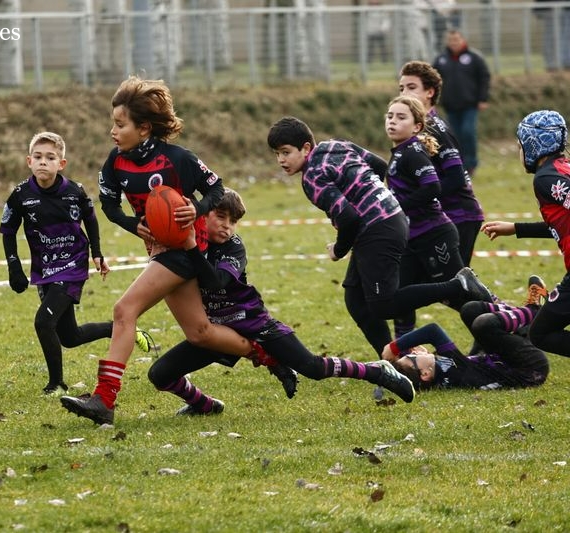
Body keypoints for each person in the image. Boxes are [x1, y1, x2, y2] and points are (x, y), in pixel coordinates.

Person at [61, 76, 288, 425]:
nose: (113, 131)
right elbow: (107, 205)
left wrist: (195, 211)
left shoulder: (178, 159)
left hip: (183, 249)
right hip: (161, 252)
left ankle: (104, 400)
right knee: (201, 333)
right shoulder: (116, 161)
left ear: (144, 128)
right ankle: (265, 355)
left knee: (124, 310)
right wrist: (129, 223)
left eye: (120, 124)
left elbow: (216, 189)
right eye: (113, 123)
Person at [148, 188, 416, 415]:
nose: (227, 226)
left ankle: (377, 371)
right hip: (216, 331)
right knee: (159, 375)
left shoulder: (233, 247)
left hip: (252, 324)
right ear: (202, 214)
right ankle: (205, 406)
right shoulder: (191, 242)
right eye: (220, 217)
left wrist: (192, 248)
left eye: (233, 220)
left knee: (313, 367)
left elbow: (216, 282)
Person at [267, 116, 492, 357]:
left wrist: (338, 250)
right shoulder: (337, 145)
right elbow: (379, 166)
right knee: (356, 300)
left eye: (286, 152)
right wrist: (368, 193)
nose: (281, 160)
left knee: (384, 304)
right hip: (391, 217)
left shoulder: (312, 178)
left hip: (377, 230)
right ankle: (394, 361)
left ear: (306, 148)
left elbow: (348, 219)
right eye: (277, 154)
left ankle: (458, 285)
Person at [0, 131, 154, 395]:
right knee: (69, 337)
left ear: (61, 164)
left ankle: (56, 383)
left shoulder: (75, 192)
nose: (43, 162)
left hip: (73, 266)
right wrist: (14, 265)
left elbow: (91, 221)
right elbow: (8, 230)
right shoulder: (20, 195)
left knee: (43, 323)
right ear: (28, 161)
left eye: (50, 157)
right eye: (37, 157)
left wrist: (97, 253)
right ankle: (115, 328)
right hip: (44, 269)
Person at [481, 109, 570, 358]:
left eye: (520, 145)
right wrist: (516, 229)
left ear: (532, 145)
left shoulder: (545, 178)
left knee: (541, 333)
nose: (519, 152)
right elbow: (561, 226)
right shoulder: (562, 168)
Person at [384, 95, 465, 338]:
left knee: (462, 294)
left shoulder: (412, 152)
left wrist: (397, 207)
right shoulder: (399, 152)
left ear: (417, 126)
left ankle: (510, 324)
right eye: (389, 116)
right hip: (413, 237)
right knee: (400, 296)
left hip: (434, 233)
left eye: (400, 117)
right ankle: (405, 351)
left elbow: (432, 187)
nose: (392, 121)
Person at [382, 276, 550, 390]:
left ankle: (521, 324)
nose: (413, 352)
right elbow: (433, 331)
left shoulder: (444, 374)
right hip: (532, 368)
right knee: (483, 325)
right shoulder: (453, 369)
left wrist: (419, 355)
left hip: (505, 361)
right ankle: (533, 312)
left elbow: (475, 358)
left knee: (470, 310)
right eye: (411, 357)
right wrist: (394, 347)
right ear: (425, 374)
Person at [399, 60, 484, 266]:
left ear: (430, 92)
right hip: (438, 218)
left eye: (411, 87)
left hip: (460, 216)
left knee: (456, 289)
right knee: (445, 288)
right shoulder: (417, 128)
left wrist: (416, 199)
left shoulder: (435, 129)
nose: (404, 94)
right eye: (401, 88)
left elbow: (455, 178)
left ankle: (495, 301)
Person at [432, 29, 490, 176]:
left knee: (468, 132)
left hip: (470, 105)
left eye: (456, 40)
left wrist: (483, 98)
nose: (454, 43)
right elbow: (432, 80)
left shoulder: (474, 58)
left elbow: (484, 78)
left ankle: (472, 164)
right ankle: (460, 165)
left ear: (463, 40)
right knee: (454, 136)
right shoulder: (441, 60)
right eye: (451, 40)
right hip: (451, 106)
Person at [535, 0, 570, 71]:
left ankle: (563, 63)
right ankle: (553, 64)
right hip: (550, 9)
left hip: (563, 9)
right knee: (552, 37)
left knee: (563, 37)